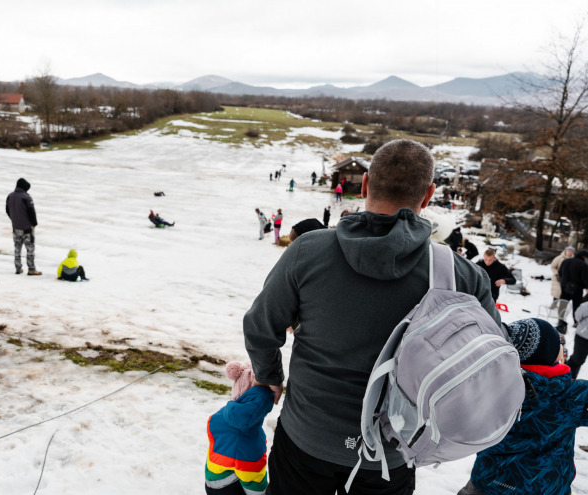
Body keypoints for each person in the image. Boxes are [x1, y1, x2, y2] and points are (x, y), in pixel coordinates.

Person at [243, 139, 498, 495]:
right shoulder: (462, 276)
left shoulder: (309, 251)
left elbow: (259, 326)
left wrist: (270, 377)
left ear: (364, 184)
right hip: (391, 452)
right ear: (428, 195)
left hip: (306, 437)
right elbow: (488, 362)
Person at [457, 318, 585, 495]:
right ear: (548, 354)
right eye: (558, 345)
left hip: (487, 482)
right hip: (543, 489)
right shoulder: (570, 394)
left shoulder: (490, 384)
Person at [204, 362, 274, 495]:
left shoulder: (217, 417)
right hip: (230, 488)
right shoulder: (250, 439)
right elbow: (252, 479)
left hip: (212, 482)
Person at [5, 178, 41, 276]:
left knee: (17, 248)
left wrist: (14, 219)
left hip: (16, 227)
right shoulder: (26, 198)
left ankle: (18, 268)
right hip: (27, 228)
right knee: (30, 249)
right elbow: (31, 212)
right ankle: (31, 269)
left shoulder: (10, 196)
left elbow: (7, 210)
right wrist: (34, 223)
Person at [558, 249, 588, 323]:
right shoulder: (583, 264)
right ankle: (576, 321)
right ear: (584, 257)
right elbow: (585, 278)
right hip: (577, 289)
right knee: (577, 306)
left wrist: (563, 282)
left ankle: (560, 320)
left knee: (563, 304)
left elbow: (560, 272)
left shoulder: (566, 261)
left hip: (564, 287)